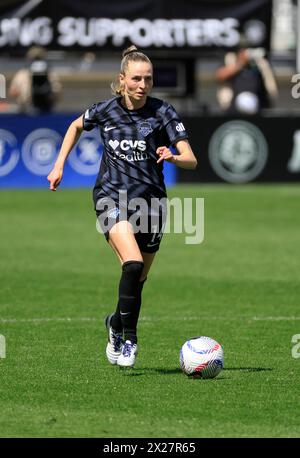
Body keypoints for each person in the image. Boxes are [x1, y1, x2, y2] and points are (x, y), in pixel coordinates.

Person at [47, 45, 197, 368]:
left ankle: (115, 323)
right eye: (136, 79)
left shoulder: (163, 112)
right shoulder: (105, 110)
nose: (143, 85)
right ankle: (130, 339)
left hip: (152, 205)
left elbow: (191, 158)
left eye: (148, 79)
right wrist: (59, 165)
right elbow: (75, 126)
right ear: (122, 80)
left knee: (138, 279)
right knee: (131, 264)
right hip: (111, 197)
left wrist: (173, 156)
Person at [215, 47, 278, 114]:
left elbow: (270, 85)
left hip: (257, 109)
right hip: (233, 110)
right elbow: (219, 76)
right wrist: (241, 63)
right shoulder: (230, 59)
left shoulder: (261, 63)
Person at [9, 46, 61, 113]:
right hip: (26, 110)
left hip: (47, 109)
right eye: (35, 58)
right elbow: (13, 92)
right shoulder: (21, 74)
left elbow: (57, 95)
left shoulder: (51, 74)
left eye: (39, 58)